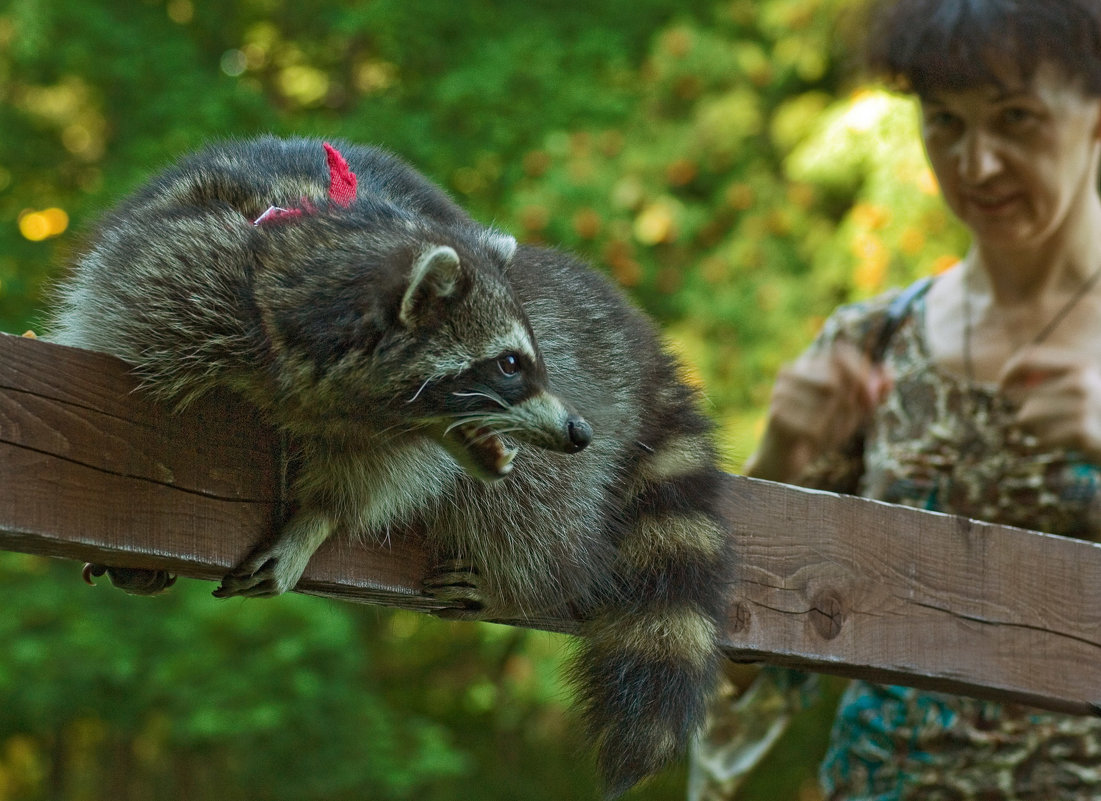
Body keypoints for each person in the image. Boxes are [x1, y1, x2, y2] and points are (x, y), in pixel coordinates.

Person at [690, 0, 1101, 798]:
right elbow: (733, 667)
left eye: (1015, 118)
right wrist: (779, 462)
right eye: (944, 122)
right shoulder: (874, 342)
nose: (975, 163)